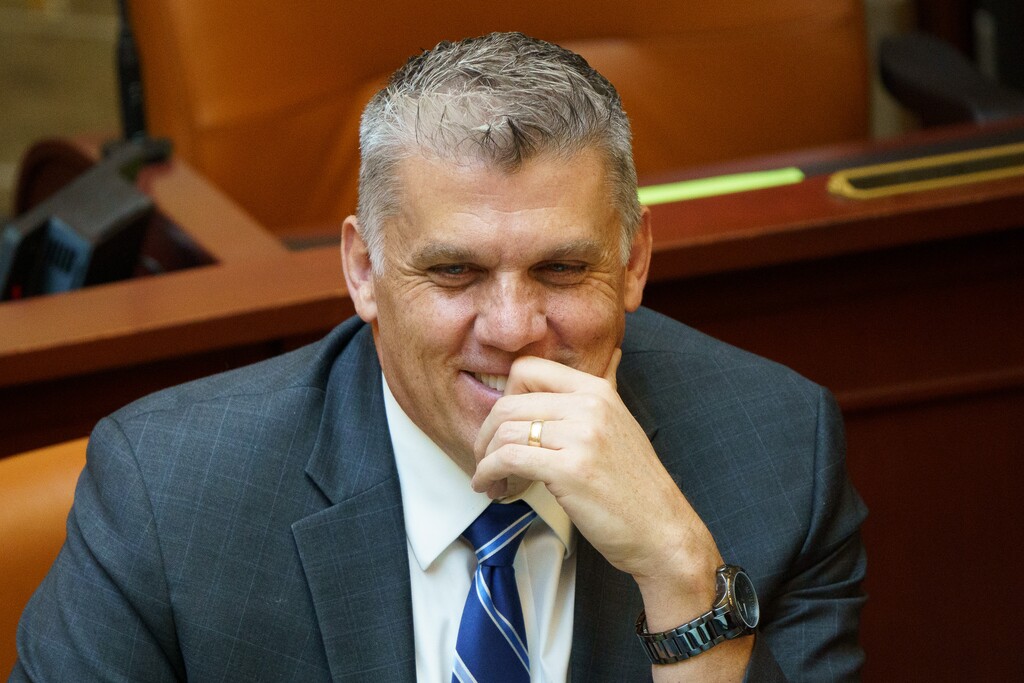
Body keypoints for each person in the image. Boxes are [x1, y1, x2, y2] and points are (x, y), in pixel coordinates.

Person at [11, 32, 866, 682]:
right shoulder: (169, 494)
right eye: (455, 272)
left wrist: (683, 577)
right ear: (363, 270)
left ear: (634, 261)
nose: (513, 327)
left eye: (562, 269)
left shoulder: (779, 458)